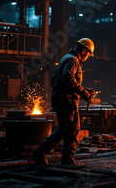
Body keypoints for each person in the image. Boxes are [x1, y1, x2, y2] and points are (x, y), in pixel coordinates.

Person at [33, 38, 97, 166]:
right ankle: (59, 157)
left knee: (65, 128)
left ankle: (49, 154)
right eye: (89, 54)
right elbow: (67, 78)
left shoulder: (66, 58)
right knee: (72, 128)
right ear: (84, 51)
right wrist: (83, 93)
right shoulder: (73, 60)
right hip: (65, 99)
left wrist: (83, 89)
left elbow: (57, 80)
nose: (88, 57)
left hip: (61, 97)